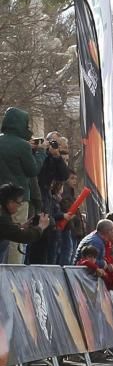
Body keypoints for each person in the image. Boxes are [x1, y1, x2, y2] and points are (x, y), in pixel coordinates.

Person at [0, 107, 41, 263]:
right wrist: (41, 153)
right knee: (16, 236)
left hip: (1, 196)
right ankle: (14, 272)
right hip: (18, 198)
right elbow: (32, 170)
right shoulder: (23, 145)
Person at [0, 183, 49, 262]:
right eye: (18, 203)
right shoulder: (2, 217)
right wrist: (40, 227)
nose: (19, 206)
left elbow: (8, 229)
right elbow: (22, 236)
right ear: (10, 202)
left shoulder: (3, 214)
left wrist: (22, 227)